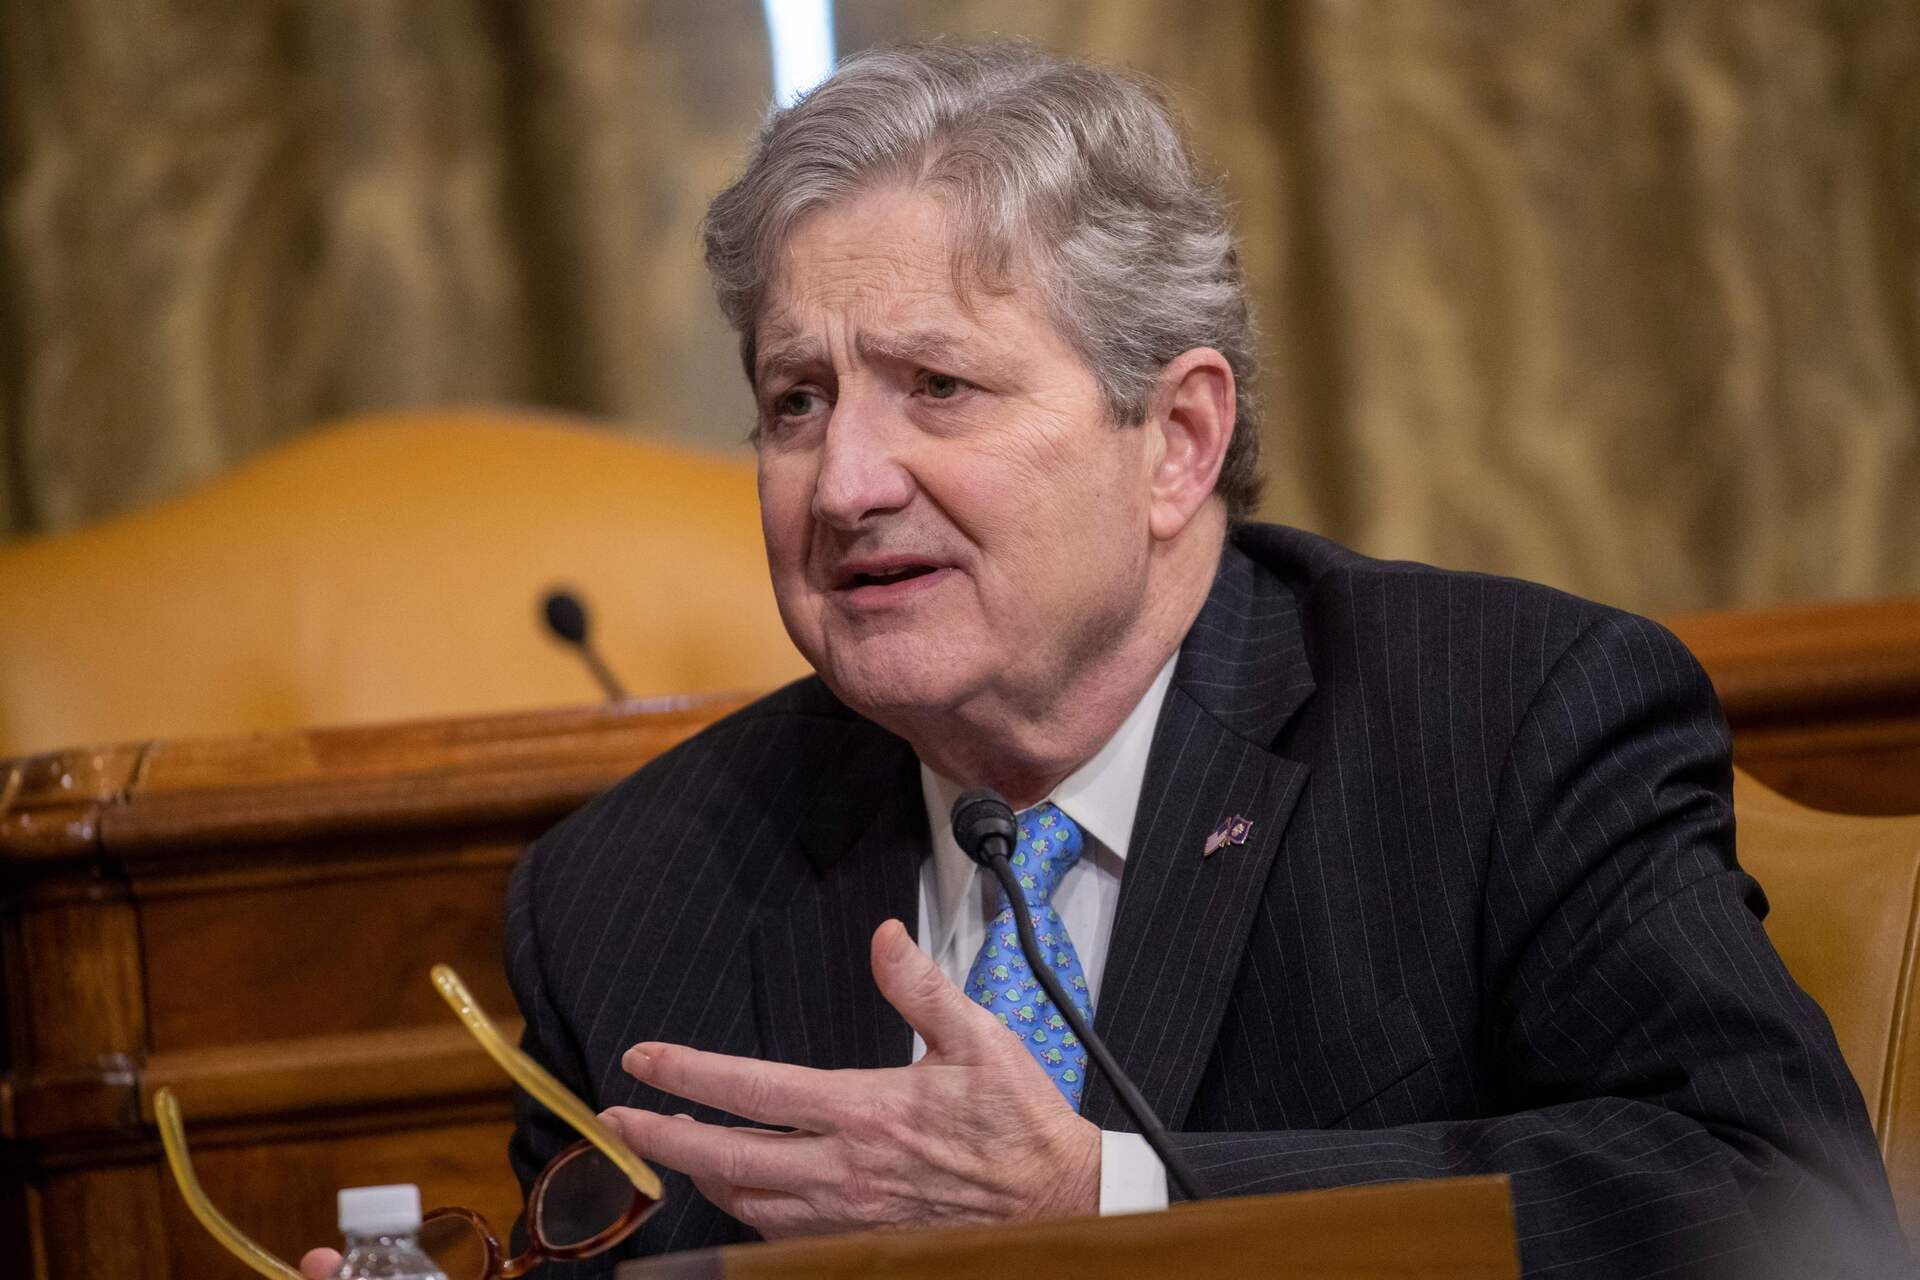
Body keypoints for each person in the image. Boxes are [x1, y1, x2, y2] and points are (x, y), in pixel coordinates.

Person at [299, 40, 1906, 1280]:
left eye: (937, 386)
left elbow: (1778, 1191)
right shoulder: (627, 894)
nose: (845, 480)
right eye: (796, 402)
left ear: (1177, 441)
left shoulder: (1500, 724)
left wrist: (1100, 1204)